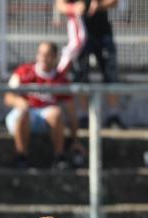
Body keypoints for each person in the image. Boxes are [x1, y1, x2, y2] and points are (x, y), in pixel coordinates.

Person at [5, 41, 84, 169]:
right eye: (40, 54)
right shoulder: (23, 71)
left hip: (45, 118)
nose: (42, 58)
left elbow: (71, 111)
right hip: (25, 115)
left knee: (57, 113)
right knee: (23, 113)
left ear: (54, 58)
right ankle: (21, 156)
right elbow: (8, 97)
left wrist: (76, 140)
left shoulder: (61, 80)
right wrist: (19, 102)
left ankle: (59, 157)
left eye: (47, 55)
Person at [60, 0, 124, 129]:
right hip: (81, 33)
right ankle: (83, 116)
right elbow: (60, 5)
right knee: (81, 74)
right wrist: (74, 8)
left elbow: (114, 2)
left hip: (102, 32)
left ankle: (113, 115)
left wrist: (99, 6)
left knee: (110, 73)